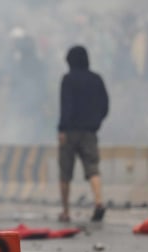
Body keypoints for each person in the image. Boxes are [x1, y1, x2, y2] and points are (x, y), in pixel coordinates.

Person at [57, 45, 109, 223]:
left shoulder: (68, 80)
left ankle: (65, 211)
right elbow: (104, 106)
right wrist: (96, 122)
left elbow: (66, 107)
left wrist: (62, 129)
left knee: (65, 173)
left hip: (70, 132)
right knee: (92, 168)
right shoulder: (96, 79)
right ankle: (99, 202)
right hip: (89, 132)